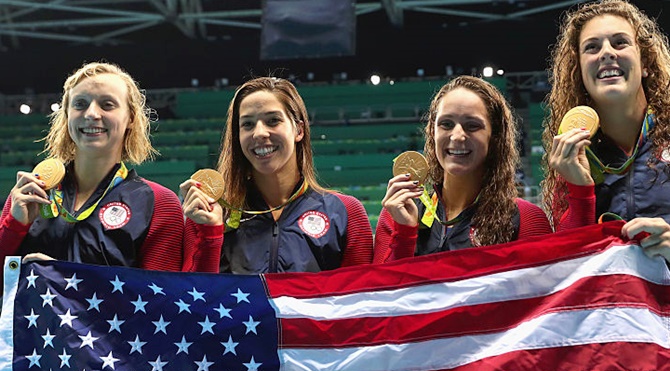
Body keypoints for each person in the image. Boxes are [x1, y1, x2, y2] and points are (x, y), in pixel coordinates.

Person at [0, 61, 184, 271]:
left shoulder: (160, 204)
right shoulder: (30, 193)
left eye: (107, 105)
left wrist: (64, 280)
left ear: (131, 117)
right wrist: (14, 226)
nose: (91, 114)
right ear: (67, 115)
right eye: (80, 104)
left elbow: (159, 297)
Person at [180, 76, 373, 274]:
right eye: (247, 124)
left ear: (299, 130)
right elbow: (195, 298)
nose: (259, 133)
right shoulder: (209, 213)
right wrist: (209, 233)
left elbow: (361, 298)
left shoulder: (345, 212)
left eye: (273, 121)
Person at [541, 0, 670, 263]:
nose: (606, 53)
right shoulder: (573, 154)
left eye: (620, 42)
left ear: (645, 62)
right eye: (592, 47)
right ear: (579, 72)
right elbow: (569, 264)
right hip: (618, 303)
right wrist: (580, 189)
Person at [374, 75, 552, 263]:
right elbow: (380, 291)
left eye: (472, 126)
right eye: (446, 124)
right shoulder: (398, 213)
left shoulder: (527, 219)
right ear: (432, 132)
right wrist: (404, 234)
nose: (457, 136)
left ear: (494, 137)